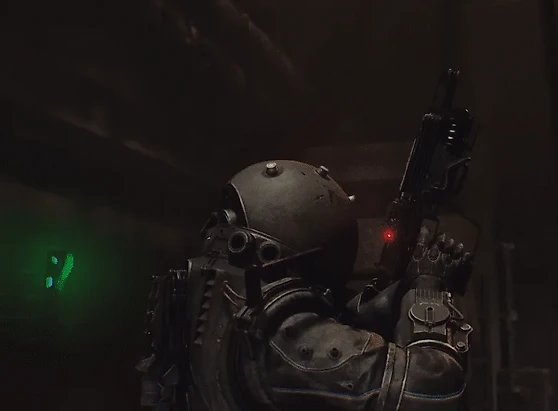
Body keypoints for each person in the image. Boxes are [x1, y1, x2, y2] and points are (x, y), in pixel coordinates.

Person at [138, 160, 474, 411]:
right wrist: (429, 289)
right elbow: (431, 388)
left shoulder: (217, 302)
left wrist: (390, 297)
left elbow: (333, 329)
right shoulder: (275, 333)